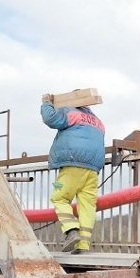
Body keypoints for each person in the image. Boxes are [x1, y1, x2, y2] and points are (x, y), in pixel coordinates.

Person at [41, 94, 105, 254]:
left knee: (59, 197)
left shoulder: (71, 112)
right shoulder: (98, 123)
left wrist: (46, 104)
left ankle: (71, 231)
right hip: (93, 169)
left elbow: (51, 119)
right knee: (87, 206)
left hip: (72, 163)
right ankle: (83, 245)